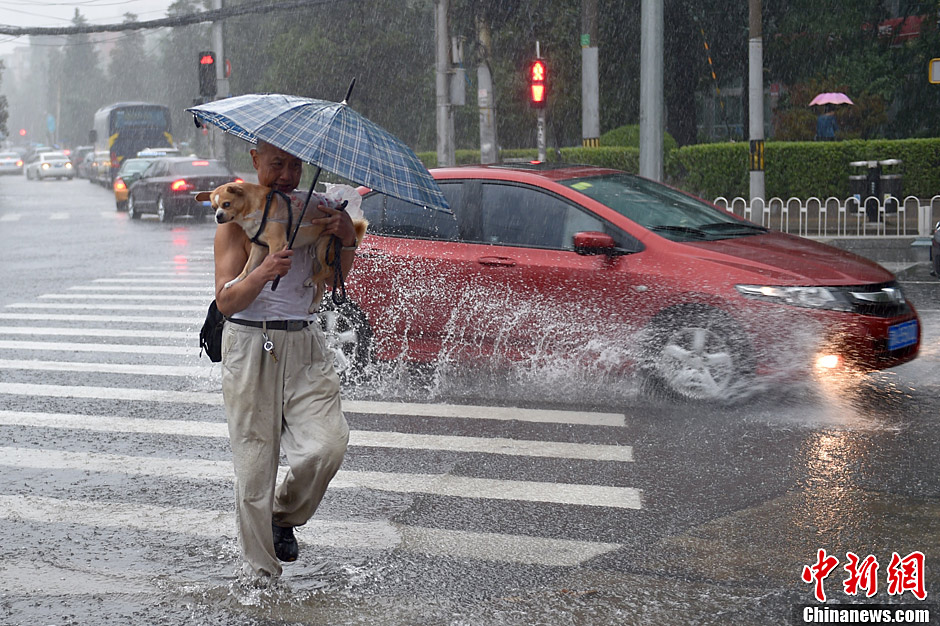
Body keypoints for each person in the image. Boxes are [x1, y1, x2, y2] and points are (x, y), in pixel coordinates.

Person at [214, 140, 360, 582]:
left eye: (296, 165)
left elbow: (335, 277)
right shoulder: (236, 218)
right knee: (255, 470)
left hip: (305, 345)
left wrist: (346, 235)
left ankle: (282, 516)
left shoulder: (312, 208)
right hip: (250, 346)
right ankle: (262, 576)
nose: (287, 175)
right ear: (256, 162)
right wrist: (261, 272)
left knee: (327, 445)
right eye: (277, 164)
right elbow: (225, 300)